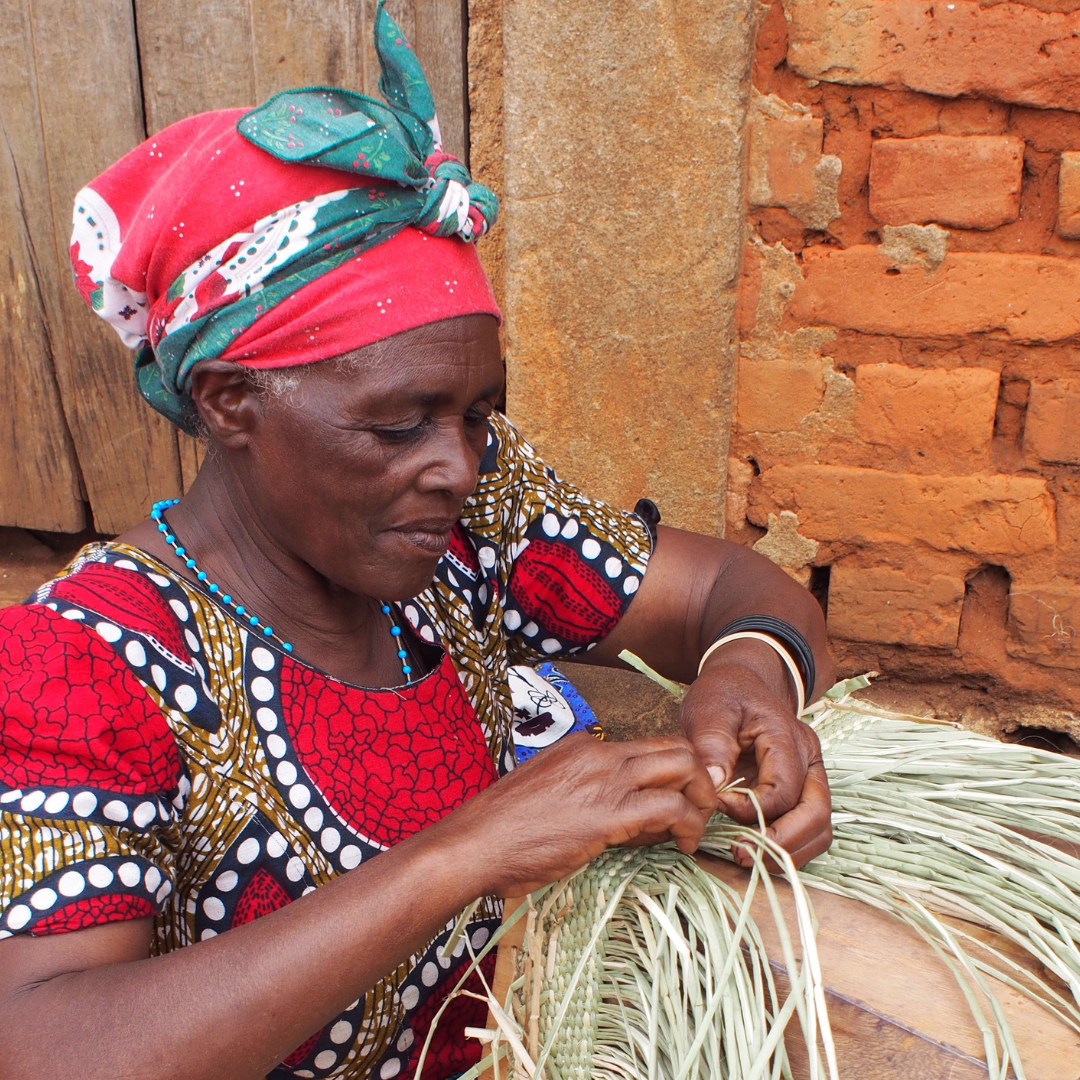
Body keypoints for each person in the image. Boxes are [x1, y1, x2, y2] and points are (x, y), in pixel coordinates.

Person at [0, 6, 833, 1079]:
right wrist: (466, 852)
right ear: (226, 403)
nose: (454, 460)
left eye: (478, 414)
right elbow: (43, 1046)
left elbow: (725, 586)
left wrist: (748, 671)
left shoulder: (465, 516)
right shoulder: (80, 668)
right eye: (399, 423)